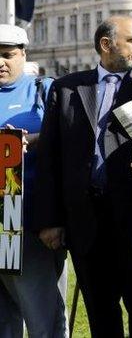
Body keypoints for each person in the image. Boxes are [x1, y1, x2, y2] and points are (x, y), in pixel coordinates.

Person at [32, 16, 132, 338]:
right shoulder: (68, 88)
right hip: (86, 222)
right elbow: (51, 155)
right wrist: (50, 220)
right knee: (100, 312)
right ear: (106, 45)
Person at [0, 25, 66, 338]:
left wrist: (39, 140)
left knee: (43, 319)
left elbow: (69, 143)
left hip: (27, 227)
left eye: (7, 55)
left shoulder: (46, 90)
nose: (0, 62)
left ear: (23, 54)